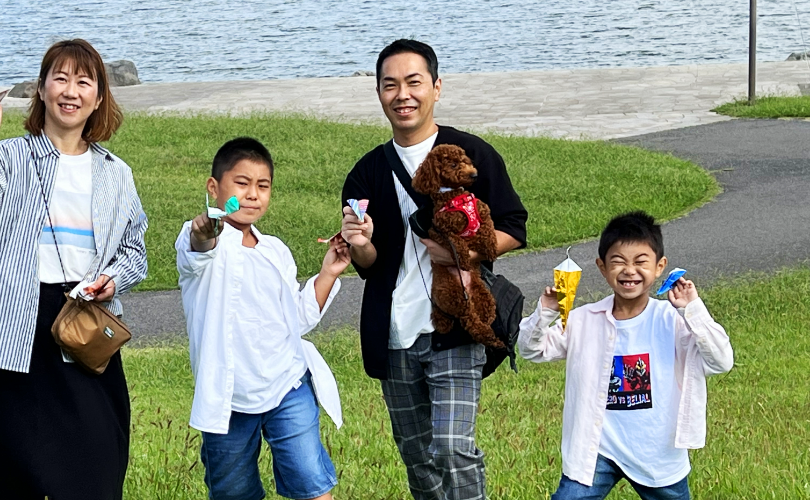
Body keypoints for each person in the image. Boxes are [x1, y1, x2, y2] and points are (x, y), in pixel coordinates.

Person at [0, 39, 148, 499]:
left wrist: (112, 279)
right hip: (14, 325)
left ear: (98, 97)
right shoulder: (9, 158)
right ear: (42, 88)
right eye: (61, 78)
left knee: (98, 463)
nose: (71, 91)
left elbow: (136, 251)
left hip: (83, 321)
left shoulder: (116, 173)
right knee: (7, 476)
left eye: (84, 81)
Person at [340, 39, 528, 500]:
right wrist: (360, 243)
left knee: (451, 448)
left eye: (413, 82)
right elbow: (370, 266)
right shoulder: (365, 173)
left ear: (436, 87)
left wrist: (465, 253)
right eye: (390, 85)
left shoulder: (471, 156)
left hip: (458, 324)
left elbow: (514, 227)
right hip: (394, 333)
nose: (402, 94)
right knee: (418, 456)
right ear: (380, 94)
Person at [176, 137, 348, 500]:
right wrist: (206, 229)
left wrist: (328, 273)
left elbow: (297, 320)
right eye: (242, 183)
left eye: (263, 185)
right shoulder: (205, 245)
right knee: (233, 491)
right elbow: (199, 244)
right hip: (229, 396)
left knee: (311, 482)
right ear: (214, 188)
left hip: (288, 384)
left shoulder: (275, 250)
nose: (253, 194)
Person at [518, 211, 734, 500]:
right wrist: (545, 311)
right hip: (596, 450)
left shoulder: (673, 320)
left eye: (640, 262)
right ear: (602, 267)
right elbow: (531, 350)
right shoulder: (583, 320)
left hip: (656, 451)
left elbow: (721, 361)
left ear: (660, 267)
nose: (629, 270)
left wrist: (692, 309)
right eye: (618, 261)